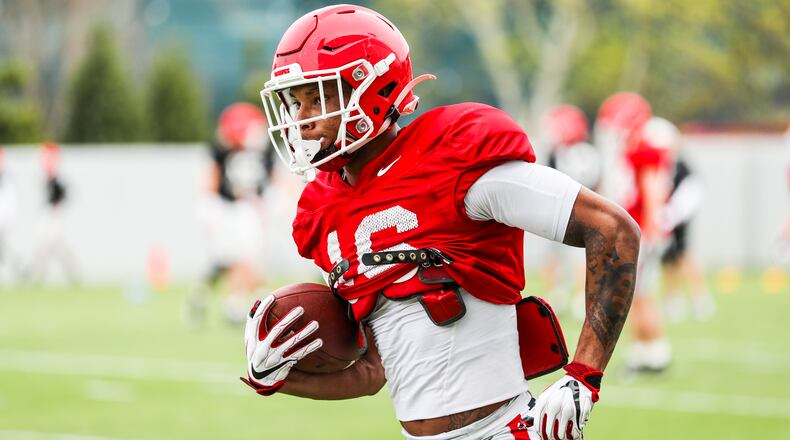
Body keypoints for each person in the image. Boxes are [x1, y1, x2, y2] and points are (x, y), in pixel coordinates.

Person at [240, 5, 640, 440]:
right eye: (296, 101)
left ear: (370, 88)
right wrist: (276, 378)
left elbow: (614, 229)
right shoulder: (325, 210)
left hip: (504, 430)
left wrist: (583, 376)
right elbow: (373, 371)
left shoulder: (452, 157)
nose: (302, 120)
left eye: (318, 98)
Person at [596, 99, 673, 374]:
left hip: (641, 233)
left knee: (638, 294)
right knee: (632, 294)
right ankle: (644, 351)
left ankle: (656, 351)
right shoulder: (627, 150)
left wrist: (652, 231)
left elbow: (654, 193)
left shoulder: (646, 151)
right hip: (631, 232)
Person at [190, 103, 274, 325]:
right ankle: (244, 302)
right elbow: (212, 178)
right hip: (228, 208)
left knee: (241, 258)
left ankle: (243, 300)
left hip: (252, 208)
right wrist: (207, 204)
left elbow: (273, 177)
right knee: (232, 259)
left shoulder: (263, 151)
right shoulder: (222, 150)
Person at [541, 105, 602, 319]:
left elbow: (547, 181)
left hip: (559, 209)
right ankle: (575, 298)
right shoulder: (591, 149)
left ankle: (559, 296)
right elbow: (598, 185)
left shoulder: (561, 152)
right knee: (573, 257)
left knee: (560, 256)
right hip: (582, 210)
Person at [657, 122, 713, 322]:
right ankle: (673, 299)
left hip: (676, 215)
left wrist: (672, 214)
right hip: (666, 215)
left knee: (684, 254)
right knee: (668, 259)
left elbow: (691, 191)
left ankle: (700, 297)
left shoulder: (679, 165)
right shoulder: (666, 163)